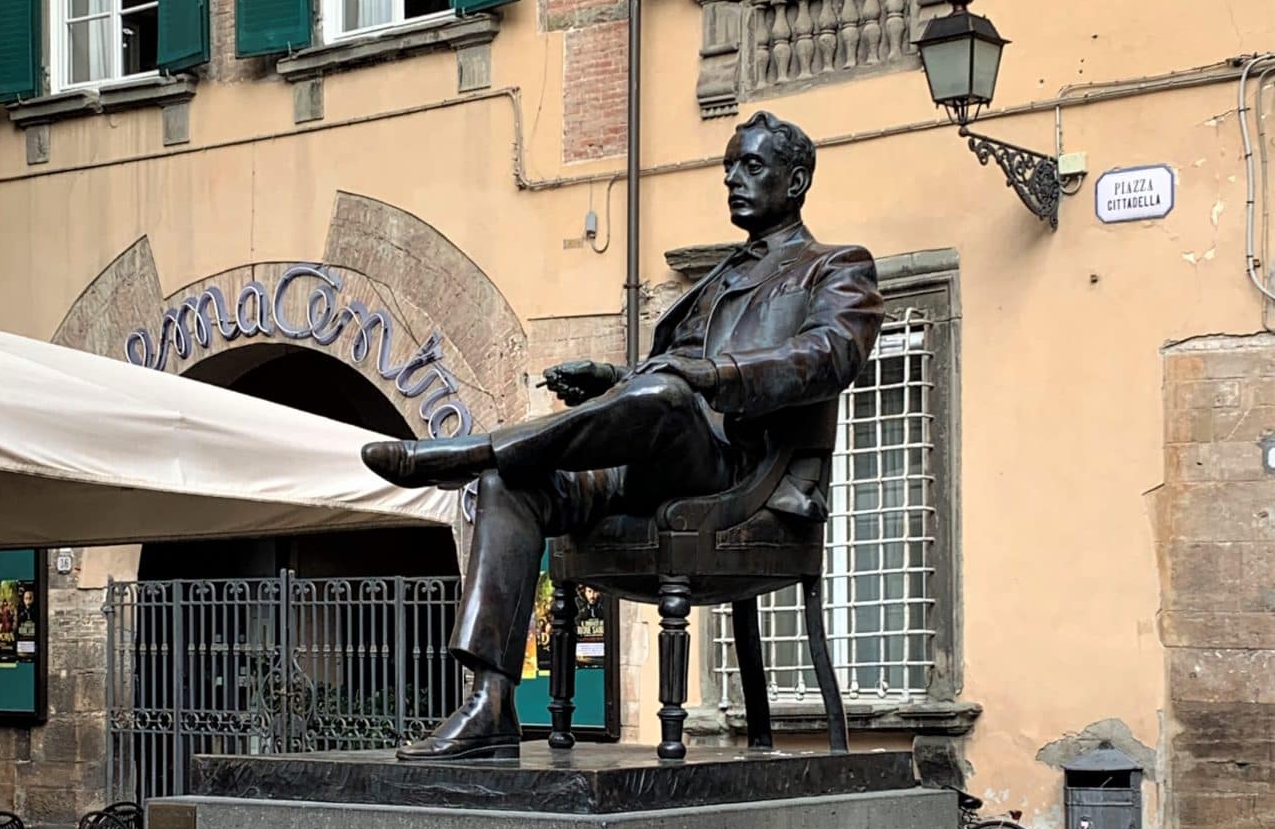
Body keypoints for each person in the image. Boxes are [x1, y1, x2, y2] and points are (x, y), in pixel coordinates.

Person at [363, 111, 884, 761]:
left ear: (797, 178)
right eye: (728, 168)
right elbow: (661, 374)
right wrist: (610, 377)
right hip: (650, 450)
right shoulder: (716, 279)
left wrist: (712, 375)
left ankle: (470, 450)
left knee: (665, 394)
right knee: (512, 483)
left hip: (736, 468)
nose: (732, 180)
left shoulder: (833, 268)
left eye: (751, 166)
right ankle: (488, 702)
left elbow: (829, 357)